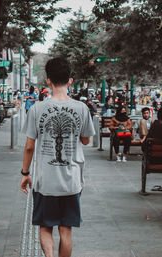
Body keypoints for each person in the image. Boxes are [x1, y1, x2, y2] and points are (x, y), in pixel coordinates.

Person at [20, 57, 95, 257]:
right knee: (66, 230)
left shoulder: (36, 109)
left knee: (45, 227)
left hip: (45, 181)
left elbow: (29, 147)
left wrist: (25, 173)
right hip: (72, 181)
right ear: (70, 80)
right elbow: (86, 140)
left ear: (48, 81)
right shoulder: (82, 108)